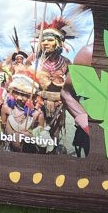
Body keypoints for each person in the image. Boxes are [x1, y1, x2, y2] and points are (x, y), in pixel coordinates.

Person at [31, 13, 90, 156]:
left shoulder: (66, 63)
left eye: (49, 40)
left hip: (58, 105)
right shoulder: (35, 61)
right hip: (39, 105)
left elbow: (74, 87)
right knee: (37, 134)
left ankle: (52, 160)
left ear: (59, 42)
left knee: (54, 135)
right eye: (43, 40)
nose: (45, 43)